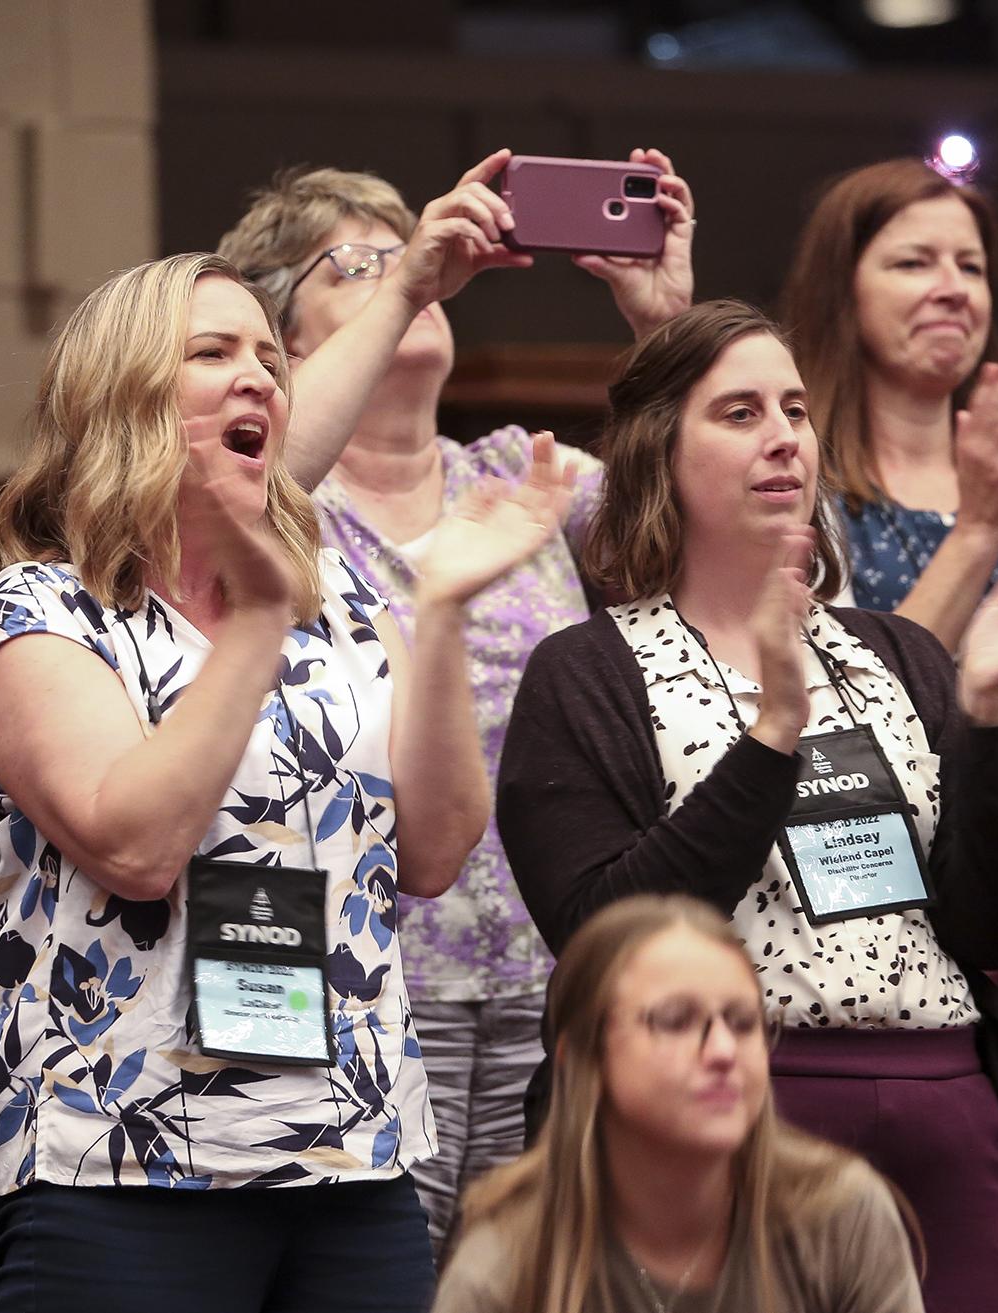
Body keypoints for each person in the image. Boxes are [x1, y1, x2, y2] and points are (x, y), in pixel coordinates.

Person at [0, 252, 570, 1311]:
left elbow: (437, 848)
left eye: (270, 357)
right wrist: (259, 621)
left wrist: (441, 610)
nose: (261, 378)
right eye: (215, 352)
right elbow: (134, 847)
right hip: (121, 1157)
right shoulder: (41, 615)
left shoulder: (344, 602)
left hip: (350, 1148)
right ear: (119, 397)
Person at [496, 298, 998, 1313]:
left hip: (948, 1103)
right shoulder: (587, 670)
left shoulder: (899, 651)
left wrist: (981, 711)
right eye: (740, 412)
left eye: (795, 411)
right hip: (728, 1112)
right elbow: (600, 931)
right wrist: (771, 733)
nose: (782, 439)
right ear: (658, 453)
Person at [216, 146, 695, 1249]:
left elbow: (731, 532)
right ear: (280, 347)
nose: (411, 276)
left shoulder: (524, 472)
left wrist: (662, 328)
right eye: (357, 265)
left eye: (412, 254)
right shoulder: (269, 507)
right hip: (350, 985)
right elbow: (256, 486)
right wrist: (411, 277)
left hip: (553, 976)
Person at [780, 157, 998, 1312]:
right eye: (913, 260)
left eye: (970, 265)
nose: (950, 287)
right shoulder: (803, 477)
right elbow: (843, 699)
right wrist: (977, 529)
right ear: (844, 285)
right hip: (884, 935)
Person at [432, 894, 924, 1313]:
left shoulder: (839, 1214)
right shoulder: (511, 1260)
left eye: (742, 1021)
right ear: (584, 1057)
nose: (722, 1052)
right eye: (674, 1021)